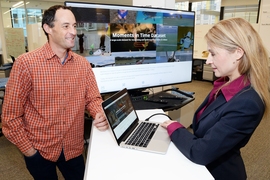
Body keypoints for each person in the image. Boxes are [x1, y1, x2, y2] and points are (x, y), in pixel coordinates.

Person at [1, 5, 108, 180]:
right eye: (66, 26)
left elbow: (93, 98)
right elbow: (10, 116)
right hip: (40, 151)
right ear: (48, 28)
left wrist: (98, 113)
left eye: (74, 26)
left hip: (73, 149)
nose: (73, 31)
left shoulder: (82, 64)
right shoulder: (26, 64)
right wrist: (30, 152)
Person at [161, 18, 270, 180]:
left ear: (238, 53)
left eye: (213, 53)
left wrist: (174, 127)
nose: (208, 60)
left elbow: (201, 152)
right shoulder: (226, 84)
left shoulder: (248, 102)